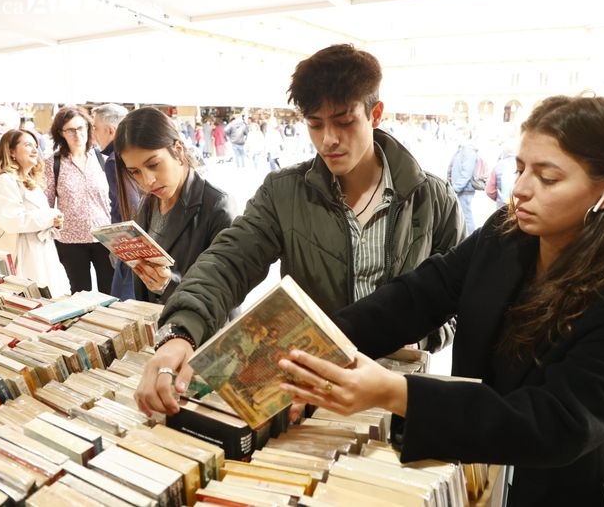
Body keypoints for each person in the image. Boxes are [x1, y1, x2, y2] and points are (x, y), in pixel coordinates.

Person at [276, 95, 604, 506]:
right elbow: (418, 295)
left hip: (564, 491)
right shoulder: (505, 235)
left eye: (548, 178)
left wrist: (396, 391)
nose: (519, 190)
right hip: (477, 472)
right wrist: (320, 346)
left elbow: (556, 422)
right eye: (520, 169)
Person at [134, 43, 465, 418]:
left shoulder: (432, 198)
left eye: (343, 121)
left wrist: (414, 337)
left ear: (375, 114)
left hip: (394, 391)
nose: (328, 140)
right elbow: (229, 261)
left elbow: (456, 304)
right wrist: (180, 331)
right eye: (315, 124)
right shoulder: (284, 192)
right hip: (307, 391)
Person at [113, 106, 237, 303]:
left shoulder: (217, 205)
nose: (147, 181)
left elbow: (227, 290)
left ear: (177, 150)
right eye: (135, 172)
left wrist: (168, 284)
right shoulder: (150, 202)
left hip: (199, 329)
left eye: (153, 165)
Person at [0, 129, 70, 297]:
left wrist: (54, 222)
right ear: (11, 151)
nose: (34, 150)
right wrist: (50, 217)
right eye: (27, 145)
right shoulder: (5, 181)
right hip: (24, 252)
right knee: (34, 300)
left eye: (36, 146)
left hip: (41, 252)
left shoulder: (29, 181)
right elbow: (12, 221)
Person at [44, 106, 113, 294]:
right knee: (80, 294)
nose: (77, 134)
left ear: (89, 128)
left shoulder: (103, 160)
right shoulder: (53, 164)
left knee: (111, 293)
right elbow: (46, 204)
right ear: (61, 133)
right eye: (70, 130)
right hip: (70, 242)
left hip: (105, 238)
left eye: (80, 128)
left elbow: (114, 200)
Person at [91, 103, 140, 300]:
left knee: (125, 302)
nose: (93, 134)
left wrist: (120, 247)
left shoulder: (114, 160)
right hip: (139, 240)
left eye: (95, 128)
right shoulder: (131, 152)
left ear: (111, 130)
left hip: (129, 243)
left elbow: (128, 206)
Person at [449, 141, 480, 233]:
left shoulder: (468, 151)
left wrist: (456, 188)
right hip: (461, 189)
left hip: (464, 190)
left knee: (466, 217)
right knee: (462, 215)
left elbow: (466, 172)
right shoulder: (462, 149)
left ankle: (470, 239)